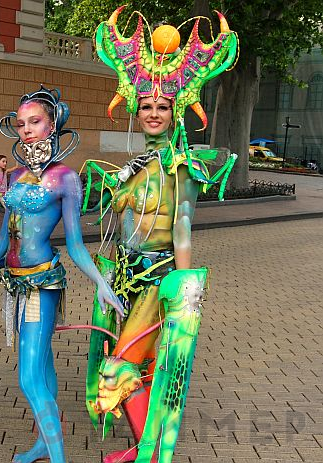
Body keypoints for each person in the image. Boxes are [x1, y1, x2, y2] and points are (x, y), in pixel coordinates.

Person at [85, 7, 239, 463]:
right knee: (145, 367)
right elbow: (116, 225)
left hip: (157, 280)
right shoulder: (133, 168)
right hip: (124, 281)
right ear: (136, 108)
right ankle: (143, 448)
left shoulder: (181, 169)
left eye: (163, 107)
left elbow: (183, 230)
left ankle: (150, 455)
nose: (154, 113)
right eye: (147, 106)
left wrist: (185, 293)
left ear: (176, 112)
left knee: (119, 368)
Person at [0, 87, 122, 463]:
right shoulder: (16, 176)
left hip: (42, 284)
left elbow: (75, 245)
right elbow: (4, 237)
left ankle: (58, 457)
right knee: (43, 365)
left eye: (34, 121)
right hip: (14, 282)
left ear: (52, 125)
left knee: (28, 377)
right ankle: (43, 443)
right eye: (21, 123)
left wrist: (100, 283)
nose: (26, 129)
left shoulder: (65, 178)